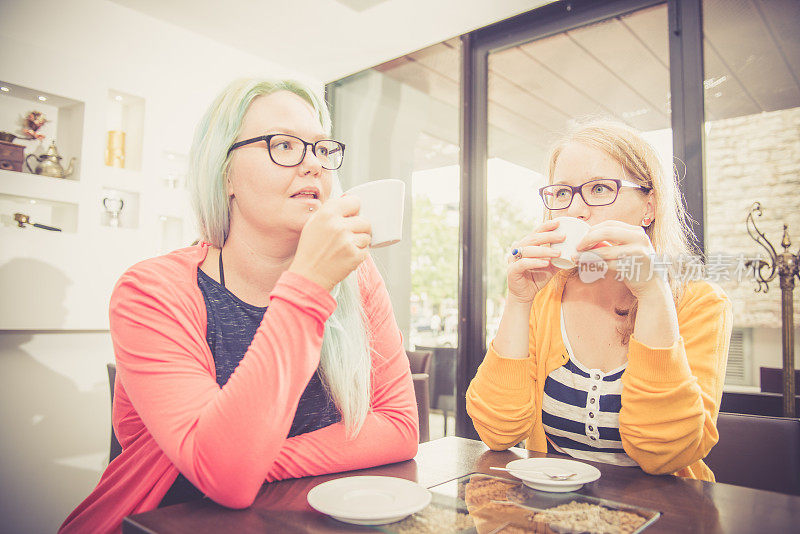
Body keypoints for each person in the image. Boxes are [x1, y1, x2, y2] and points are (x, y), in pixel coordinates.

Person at [60, 78, 419, 533]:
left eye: (320, 149)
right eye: (284, 145)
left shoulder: (357, 278)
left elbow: (399, 425)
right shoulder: (150, 291)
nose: (312, 164)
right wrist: (308, 283)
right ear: (225, 174)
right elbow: (228, 476)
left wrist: (249, 461)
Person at [466, 120, 732, 481]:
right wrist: (518, 300)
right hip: (552, 508)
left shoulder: (700, 303)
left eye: (600, 188)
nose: (575, 210)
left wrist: (653, 295)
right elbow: (497, 431)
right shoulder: (546, 296)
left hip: (668, 512)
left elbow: (665, 453)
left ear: (648, 207)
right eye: (562, 193)